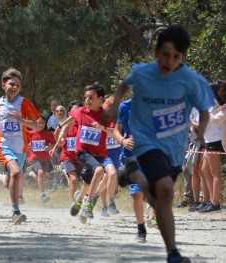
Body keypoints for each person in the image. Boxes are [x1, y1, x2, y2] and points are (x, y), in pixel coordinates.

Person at [102, 25, 214, 263]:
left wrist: (202, 133)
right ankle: (173, 253)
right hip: (146, 142)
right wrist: (113, 107)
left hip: (174, 149)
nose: (169, 61)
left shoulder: (191, 80)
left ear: (182, 57)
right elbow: (125, 84)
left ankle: (133, 174)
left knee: (159, 197)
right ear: (156, 52)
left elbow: (204, 112)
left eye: (176, 56)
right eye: (165, 54)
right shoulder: (143, 72)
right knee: (165, 190)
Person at [0, 67, 40, 224]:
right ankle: (15, 211)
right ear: (3, 85)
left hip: (21, 147)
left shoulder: (24, 103)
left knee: (10, 181)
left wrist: (21, 120)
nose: (15, 87)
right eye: (12, 84)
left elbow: (37, 126)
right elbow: (0, 122)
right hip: (3, 144)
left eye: (18, 85)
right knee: (17, 172)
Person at [55, 82, 109, 221]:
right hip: (83, 152)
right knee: (99, 171)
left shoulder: (106, 115)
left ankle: (79, 200)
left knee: (87, 183)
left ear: (100, 100)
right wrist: (60, 126)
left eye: (91, 97)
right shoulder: (80, 111)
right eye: (85, 97)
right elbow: (71, 118)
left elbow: (113, 130)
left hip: (99, 153)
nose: (87, 100)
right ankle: (88, 204)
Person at [112, 98, 147, 242]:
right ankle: (141, 228)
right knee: (137, 194)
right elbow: (115, 130)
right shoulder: (125, 106)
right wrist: (122, 141)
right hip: (131, 155)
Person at [50, 100, 84, 214]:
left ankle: (81, 200)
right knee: (73, 180)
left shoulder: (84, 124)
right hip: (68, 156)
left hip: (81, 157)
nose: (76, 112)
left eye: (78, 110)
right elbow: (58, 138)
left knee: (79, 181)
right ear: (69, 112)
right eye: (73, 110)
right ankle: (73, 203)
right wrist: (56, 146)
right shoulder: (66, 124)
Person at [26, 116, 55, 203]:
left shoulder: (47, 134)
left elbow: (55, 144)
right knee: (41, 173)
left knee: (41, 176)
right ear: (34, 123)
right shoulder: (30, 133)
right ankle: (42, 194)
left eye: (43, 123)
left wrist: (50, 147)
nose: (41, 125)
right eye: (39, 123)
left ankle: (30, 173)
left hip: (44, 159)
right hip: (33, 158)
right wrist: (26, 148)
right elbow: (23, 142)